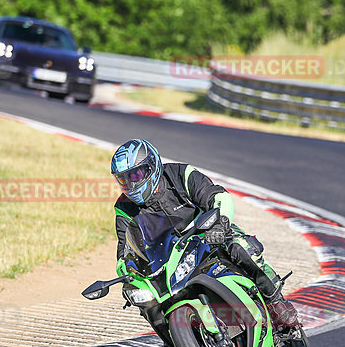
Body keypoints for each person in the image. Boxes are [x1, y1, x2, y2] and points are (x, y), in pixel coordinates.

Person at [110, 139, 300, 328]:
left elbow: (218, 196)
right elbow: (124, 250)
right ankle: (177, 341)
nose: (131, 184)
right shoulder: (124, 207)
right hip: (170, 261)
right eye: (123, 179)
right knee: (146, 301)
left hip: (208, 235)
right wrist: (128, 273)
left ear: (151, 167)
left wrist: (220, 224)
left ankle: (276, 301)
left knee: (239, 246)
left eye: (135, 174)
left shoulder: (179, 174)